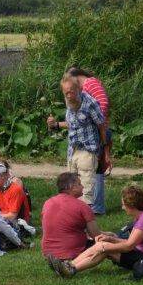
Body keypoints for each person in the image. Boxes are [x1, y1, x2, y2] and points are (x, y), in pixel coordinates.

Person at [47, 186, 143, 278]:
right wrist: (111, 239)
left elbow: (129, 246)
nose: (122, 208)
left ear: (131, 206)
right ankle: (69, 267)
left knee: (103, 249)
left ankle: (69, 267)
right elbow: (132, 242)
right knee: (103, 247)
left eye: (123, 205)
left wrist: (107, 246)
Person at [46, 75, 107, 208]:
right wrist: (55, 124)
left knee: (85, 190)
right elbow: (73, 123)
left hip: (88, 150)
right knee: (70, 187)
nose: (68, 95)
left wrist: (103, 150)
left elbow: (102, 125)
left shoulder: (90, 103)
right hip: (72, 150)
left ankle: (86, 223)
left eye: (71, 91)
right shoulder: (69, 102)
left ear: (78, 89)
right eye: (65, 92)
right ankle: (71, 219)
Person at [66, 67, 112, 215]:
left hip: (96, 135)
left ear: (75, 78)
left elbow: (103, 104)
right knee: (90, 172)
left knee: (91, 172)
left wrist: (92, 120)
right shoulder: (77, 96)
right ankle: (90, 207)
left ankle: (95, 207)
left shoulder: (90, 83)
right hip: (84, 141)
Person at [41, 172, 102, 261]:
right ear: (72, 187)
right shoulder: (82, 206)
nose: (82, 187)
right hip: (73, 253)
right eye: (79, 184)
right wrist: (111, 236)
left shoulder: (48, 203)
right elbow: (97, 236)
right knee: (105, 247)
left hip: (48, 254)